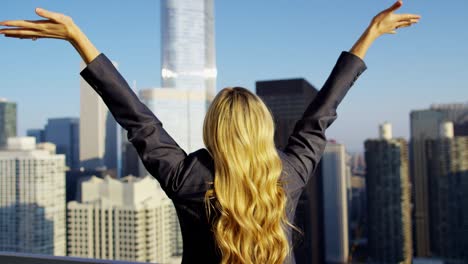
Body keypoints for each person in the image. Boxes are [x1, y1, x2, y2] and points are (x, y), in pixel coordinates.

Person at [0, 1, 420, 263]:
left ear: (213, 130)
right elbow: (321, 113)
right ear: (263, 129)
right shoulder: (289, 174)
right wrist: (369, 37)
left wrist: (79, 39)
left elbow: (137, 119)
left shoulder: (188, 179)